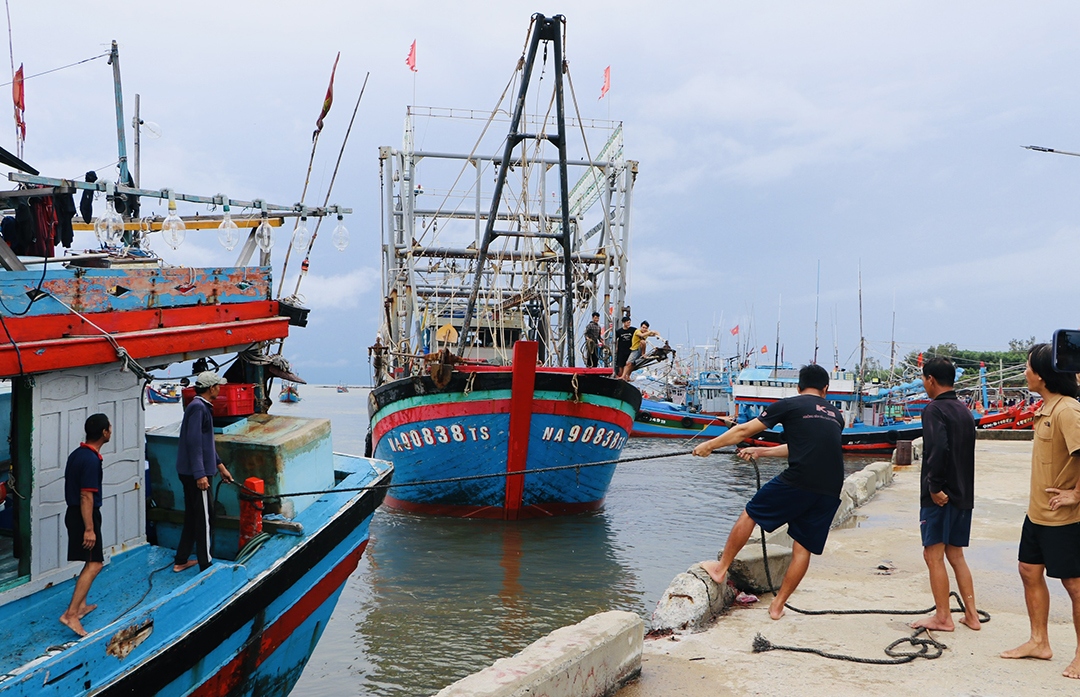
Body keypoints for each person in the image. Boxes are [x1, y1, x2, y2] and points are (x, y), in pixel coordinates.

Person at [691, 364, 844, 619]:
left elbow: (742, 430)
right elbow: (804, 448)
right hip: (831, 487)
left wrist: (709, 445)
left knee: (751, 513)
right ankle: (777, 606)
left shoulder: (790, 404)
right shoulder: (836, 415)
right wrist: (762, 451)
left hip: (800, 479)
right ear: (825, 389)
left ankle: (720, 569)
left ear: (798, 387)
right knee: (803, 548)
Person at [1001, 343, 1080, 679]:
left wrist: (1076, 494)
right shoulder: (1046, 408)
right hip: (1037, 514)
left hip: (1064, 518)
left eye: (1028, 367)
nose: (1024, 372)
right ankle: (1039, 642)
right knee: (1028, 570)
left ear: (1043, 375)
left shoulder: (1068, 411)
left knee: (1075, 585)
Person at [911, 357, 981, 631]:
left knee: (933, 554)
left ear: (930, 379)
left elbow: (937, 450)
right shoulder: (964, 411)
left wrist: (934, 487)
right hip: (964, 494)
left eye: (923, 379)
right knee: (956, 554)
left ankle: (943, 616)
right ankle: (972, 615)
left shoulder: (934, 410)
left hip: (941, 496)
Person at [174, 371, 234, 573]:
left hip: (192, 471)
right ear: (211, 388)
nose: (220, 388)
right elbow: (194, 443)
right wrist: (200, 474)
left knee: (193, 516)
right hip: (195, 474)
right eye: (218, 385)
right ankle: (206, 565)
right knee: (205, 519)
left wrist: (220, 467)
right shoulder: (199, 408)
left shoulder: (199, 407)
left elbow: (206, 445)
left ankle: (181, 559)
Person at [59, 413, 112, 636]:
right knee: (95, 564)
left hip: (75, 514)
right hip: (84, 516)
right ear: (104, 433)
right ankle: (71, 614)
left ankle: (81, 606)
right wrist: (89, 528)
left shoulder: (78, 454)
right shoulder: (90, 460)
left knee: (90, 560)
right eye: (109, 428)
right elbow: (86, 496)